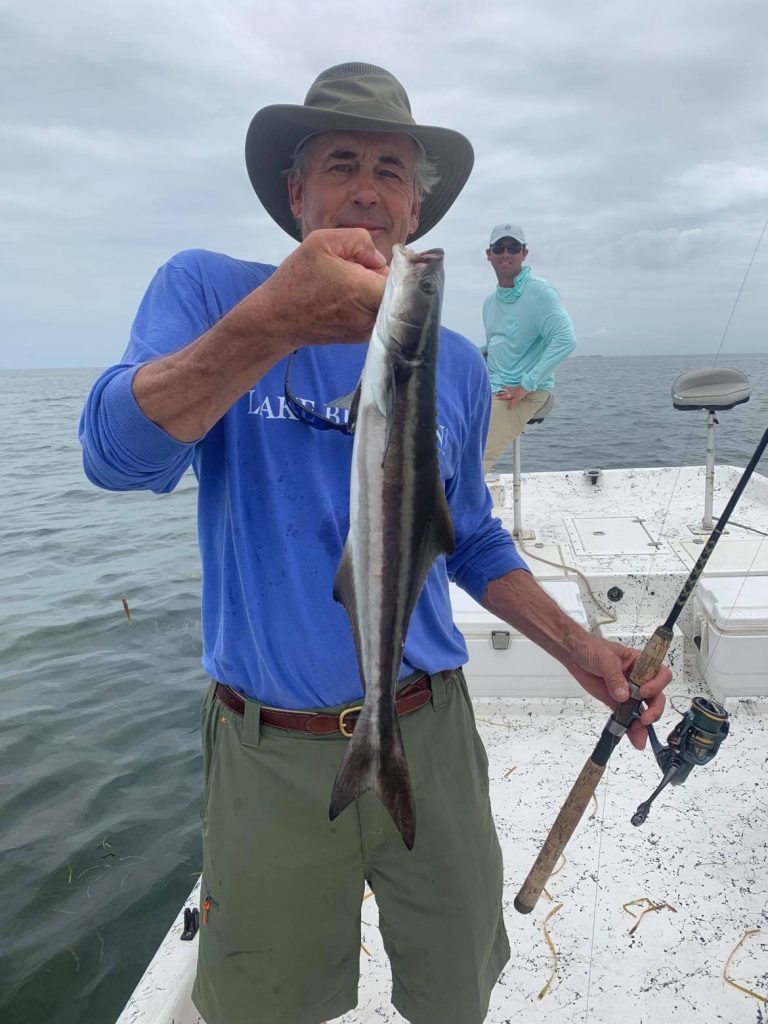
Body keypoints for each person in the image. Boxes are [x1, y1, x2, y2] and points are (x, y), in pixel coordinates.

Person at [79, 63, 670, 1024]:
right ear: (295, 192)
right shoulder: (209, 290)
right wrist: (273, 323)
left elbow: (467, 532)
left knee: (455, 983)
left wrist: (580, 649)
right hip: (269, 746)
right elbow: (116, 457)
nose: (368, 187)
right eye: (342, 163)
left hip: (428, 726)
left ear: (415, 207)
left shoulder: (460, 360)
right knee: (263, 1002)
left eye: (393, 170)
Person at [481, 223, 577, 475]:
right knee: (445, 437)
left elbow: (565, 339)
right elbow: (496, 345)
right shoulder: (490, 303)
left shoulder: (539, 292)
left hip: (526, 391)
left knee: (475, 456)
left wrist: (527, 384)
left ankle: (461, 511)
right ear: (488, 254)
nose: (506, 254)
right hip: (492, 388)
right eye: (499, 248)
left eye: (513, 248)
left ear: (524, 253)